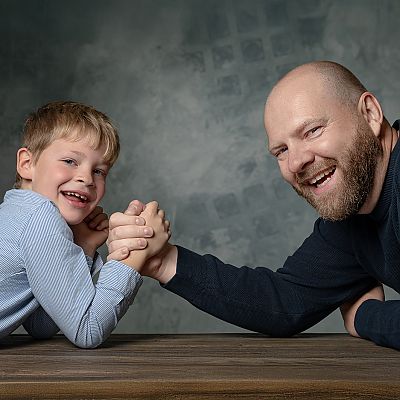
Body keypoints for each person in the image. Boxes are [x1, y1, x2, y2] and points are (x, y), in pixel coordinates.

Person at [107, 61, 400, 351]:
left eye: (312, 131)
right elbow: (286, 301)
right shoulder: (352, 219)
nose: (296, 162)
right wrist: (163, 261)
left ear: (370, 114)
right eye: (281, 150)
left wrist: (365, 316)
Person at [0, 101, 170, 348]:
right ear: (27, 164)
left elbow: (41, 325)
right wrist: (134, 253)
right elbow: (87, 331)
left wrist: (83, 246)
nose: (87, 178)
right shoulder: (40, 216)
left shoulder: (16, 212)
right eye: (70, 161)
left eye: (99, 171)